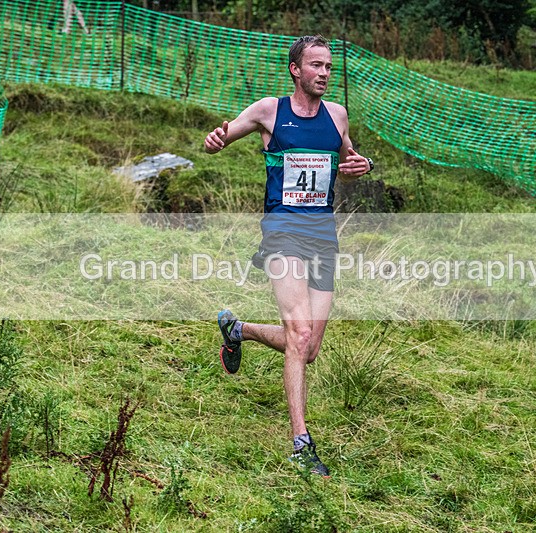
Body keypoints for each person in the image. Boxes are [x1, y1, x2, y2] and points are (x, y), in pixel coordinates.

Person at [203, 35, 373, 478]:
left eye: (329, 67)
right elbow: (227, 132)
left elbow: (349, 159)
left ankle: (236, 329)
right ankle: (301, 444)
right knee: (298, 334)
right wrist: (216, 140)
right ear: (295, 69)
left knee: (308, 347)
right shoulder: (269, 111)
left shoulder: (337, 115)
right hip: (282, 233)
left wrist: (362, 165)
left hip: (323, 237)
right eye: (316, 65)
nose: (324, 73)